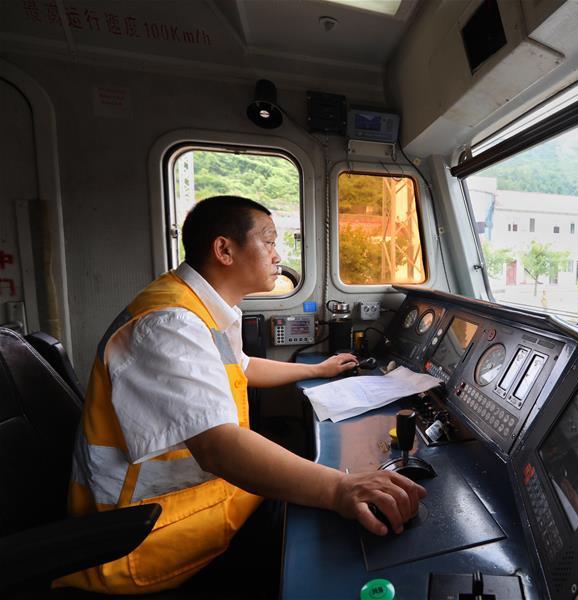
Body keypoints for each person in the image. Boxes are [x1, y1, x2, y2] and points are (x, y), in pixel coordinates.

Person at [54, 196, 425, 595]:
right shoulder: (171, 323)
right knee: (330, 529)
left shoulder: (200, 307)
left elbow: (242, 367)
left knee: (308, 489)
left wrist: (317, 370)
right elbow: (218, 448)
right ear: (224, 250)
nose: (277, 254)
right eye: (268, 241)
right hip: (147, 536)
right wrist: (338, 489)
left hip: (198, 501)